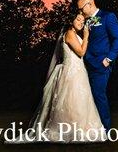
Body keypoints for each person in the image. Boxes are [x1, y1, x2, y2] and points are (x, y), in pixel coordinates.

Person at [6, 13, 106, 143]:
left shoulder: (75, 35)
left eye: (83, 20)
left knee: (79, 101)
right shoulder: (70, 33)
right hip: (71, 73)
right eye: (78, 19)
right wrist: (86, 36)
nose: (81, 22)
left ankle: (79, 130)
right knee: (69, 101)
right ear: (71, 20)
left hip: (79, 71)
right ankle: (67, 131)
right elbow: (81, 52)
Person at [77, 0, 118, 131]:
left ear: (90, 4)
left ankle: (105, 130)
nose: (80, 12)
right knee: (87, 96)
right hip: (85, 64)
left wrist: (108, 59)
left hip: (101, 64)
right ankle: (91, 127)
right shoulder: (86, 20)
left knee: (99, 95)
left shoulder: (108, 16)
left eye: (81, 9)